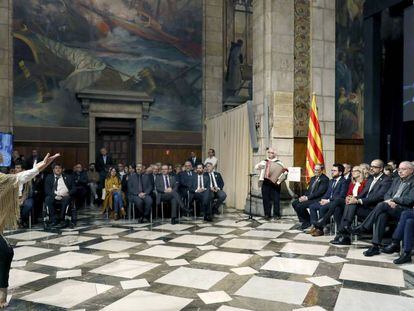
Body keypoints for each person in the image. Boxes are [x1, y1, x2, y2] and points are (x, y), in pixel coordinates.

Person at [0, 152, 59, 308]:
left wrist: (43, 164)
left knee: (6, 253)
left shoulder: (3, 179)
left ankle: (1, 293)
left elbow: (24, 176)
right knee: (5, 252)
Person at [351, 161, 414, 257]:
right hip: (390, 206)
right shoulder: (396, 180)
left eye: (403, 169)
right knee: (382, 214)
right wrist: (389, 201)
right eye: (399, 169)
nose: (400, 171)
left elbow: (409, 200)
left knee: (382, 205)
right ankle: (375, 246)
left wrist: (393, 200)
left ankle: (363, 227)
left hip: (404, 209)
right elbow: (387, 194)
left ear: (411, 170)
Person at [331, 159, 391, 245]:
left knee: (352, 204)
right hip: (365, 206)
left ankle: (343, 235)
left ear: (381, 168)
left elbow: (379, 196)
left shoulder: (386, 180)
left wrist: (358, 200)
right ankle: (343, 235)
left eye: (374, 167)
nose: (371, 169)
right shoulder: (371, 179)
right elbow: (363, 193)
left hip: (374, 209)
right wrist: (353, 198)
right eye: (371, 166)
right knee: (349, 204)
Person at [308, 163, 349, 236]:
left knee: (322, 208)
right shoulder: (331, 181)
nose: (332, 172)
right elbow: (327, 193)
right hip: (327, 201)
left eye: (334, 170)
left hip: (335, 202)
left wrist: (328, 200)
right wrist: (323, 199)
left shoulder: (344, 181)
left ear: (340, 172)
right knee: (312, 206)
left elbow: (341, 196)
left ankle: (320, 229)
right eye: (332, 170)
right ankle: (314, 226)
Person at [292, 164, 329, 230]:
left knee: (300, 206)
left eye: (317, 170)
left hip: (317, 199)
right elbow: (309, 190)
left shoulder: (325, 179)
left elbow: (319, 193)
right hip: (310, 197)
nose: (315, 171)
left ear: (322, 170)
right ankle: (305, 221)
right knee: (294, 203)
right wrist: (304, 196)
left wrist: (307, 198)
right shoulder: (313, 178)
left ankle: (307, 223)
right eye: (314, 169)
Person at [254, 147, 285, 220]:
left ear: (275, 154)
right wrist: (259, 166)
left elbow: (283, 172)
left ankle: (276, 214)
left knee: (276, 199)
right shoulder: (264, 161)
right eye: (269, 152)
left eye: (271, 153)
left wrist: (281, 178)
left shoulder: (279, 163)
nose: (270, 154)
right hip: (265, 182)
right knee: (266, 199)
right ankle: (267, 214)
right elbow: (256, 167)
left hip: (275, 183)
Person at [44, 163, 76, 228]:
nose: (58, 169)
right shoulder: (49, 177)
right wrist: (54, 196)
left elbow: (74, 188)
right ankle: (54, 219)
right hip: (53, 195)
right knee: (48, 199)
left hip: (65, 196)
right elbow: (47, 190)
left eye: (59, 168)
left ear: (62, 169)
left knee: (67, 199)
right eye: (56, 168)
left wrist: (68, 193)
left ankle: (62, 219)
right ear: (53, 170)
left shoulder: (68, 177)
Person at [14, 164, 34, 228]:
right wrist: (17, 199)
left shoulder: (28, 179)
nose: (16, 169)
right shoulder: (12, 178)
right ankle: (16, 221)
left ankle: (21, 220)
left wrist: (22, 199)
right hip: (15, 198)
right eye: (15, 168)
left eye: (18, 168)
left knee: (28, 205)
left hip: (26, 198)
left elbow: (30, 193)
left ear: (23, 170)